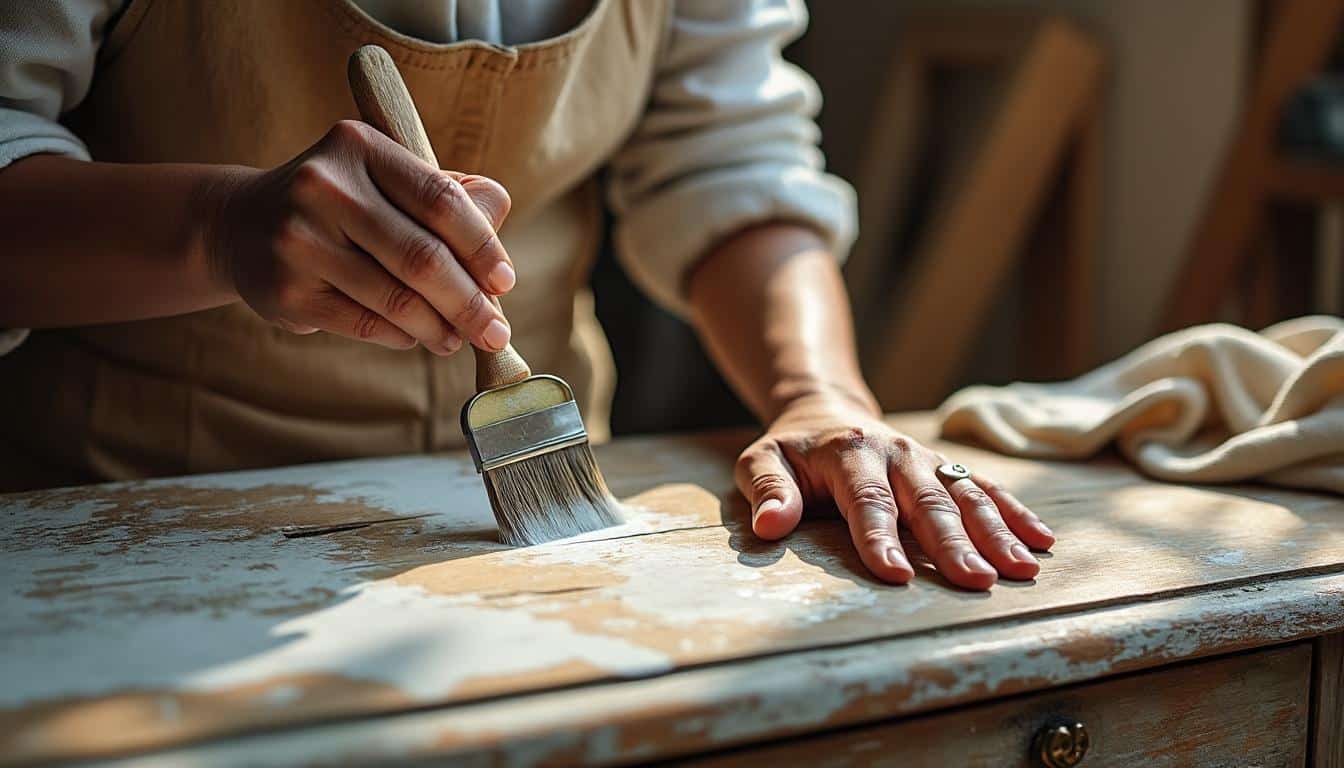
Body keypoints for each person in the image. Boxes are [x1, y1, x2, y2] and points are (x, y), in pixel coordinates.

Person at [0, 0, 1054, 588]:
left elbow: (729, 164)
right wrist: (216, 230)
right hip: (128, 534)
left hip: (538, 538)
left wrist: (820, 395)